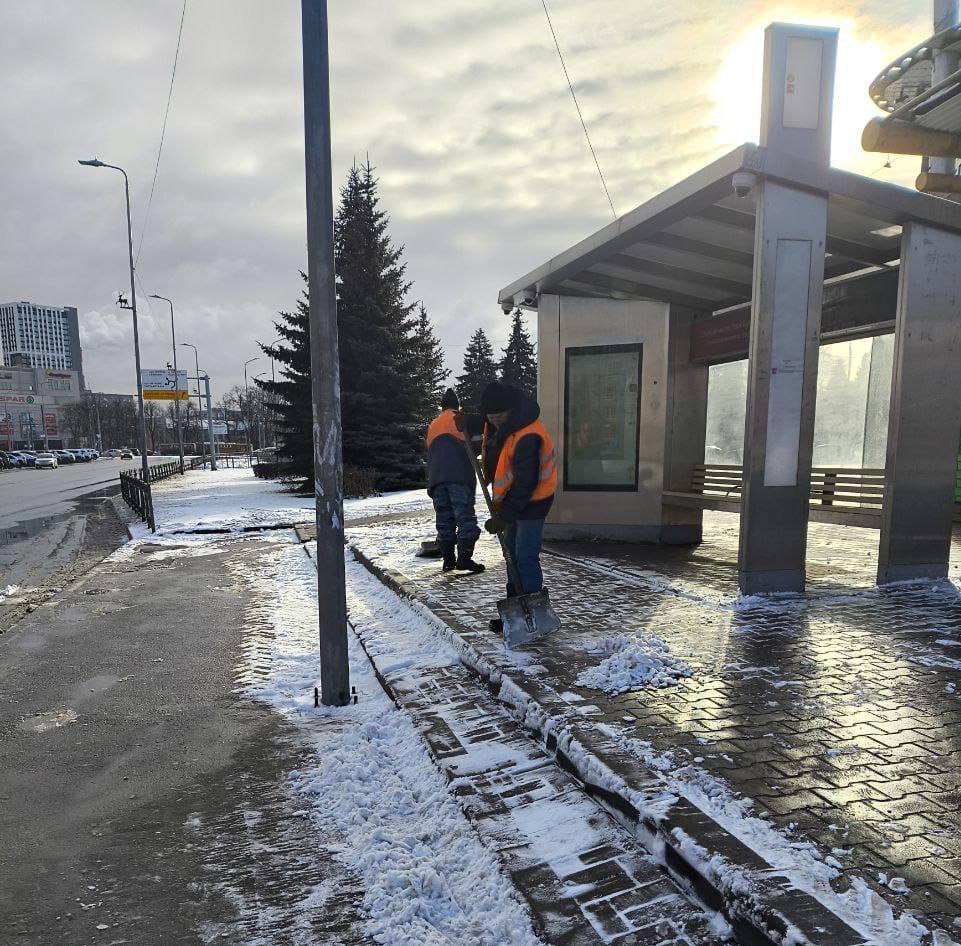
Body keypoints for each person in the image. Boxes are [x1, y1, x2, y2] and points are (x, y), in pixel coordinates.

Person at [478, 381, 556, 608]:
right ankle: (515, 608)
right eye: (490, 416)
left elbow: (526, 483)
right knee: (510, 554)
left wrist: (505, 516)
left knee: (525, 556)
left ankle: (533, 609)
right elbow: (486, 423)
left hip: (534, 502)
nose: (494, 421)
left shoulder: (527, 435)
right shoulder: (504, 424)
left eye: (499, 415)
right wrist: (470, 422)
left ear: (510, 409)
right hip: (512, 503)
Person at [425, 388, 485, 574]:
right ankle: (464, 559)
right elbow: (477, 443)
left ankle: (448, 560)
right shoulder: (460, 418)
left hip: (436, 479)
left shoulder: (433, 424)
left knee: (444, 518)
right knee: (465, 516)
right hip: (458, 476)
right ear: (457, 405)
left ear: (441, 406)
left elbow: (431, 450)